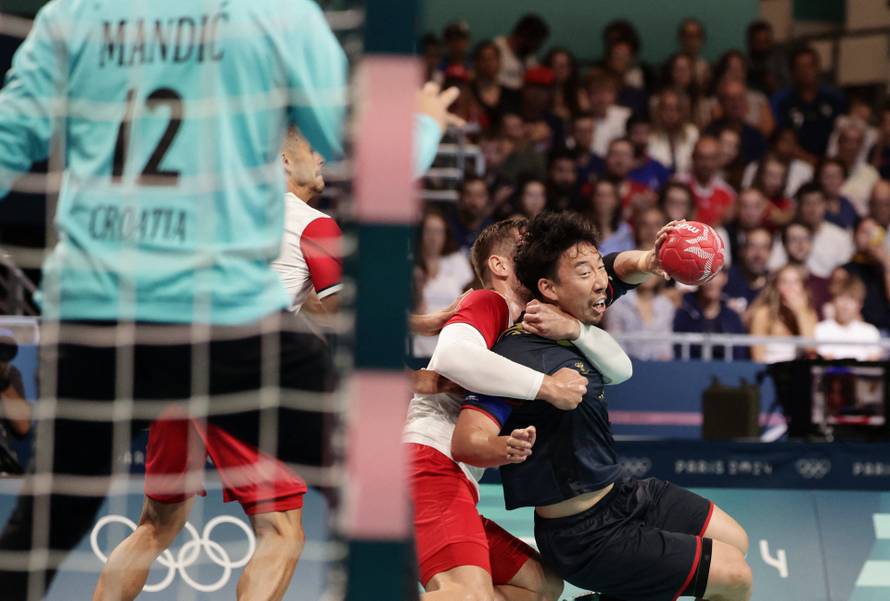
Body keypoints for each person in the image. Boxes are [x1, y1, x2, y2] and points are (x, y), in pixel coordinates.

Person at [0, 1, 461, 597]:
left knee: (60, 531)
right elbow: (370, 158)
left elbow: (9, 139)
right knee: (356, 505)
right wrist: (423, 125)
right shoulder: (273, 15)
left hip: (99, 312)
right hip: (227, 322)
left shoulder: (74, 13)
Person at [453, 212, 752, 601]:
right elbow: (469, 435)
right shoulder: (514, 352)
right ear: (546, 286)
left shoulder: (572, 315)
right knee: (735, 577)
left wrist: (649, 260)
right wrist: (507, 446)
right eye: (585, 272)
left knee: (736, 542)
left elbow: (617, 290)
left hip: (622, 495)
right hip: (582, 534)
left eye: (597, 268)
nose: (599, 281)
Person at [406, 216, 634, 601]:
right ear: (499, 265)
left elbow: (606, 278)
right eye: (526, 247)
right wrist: (547, 387)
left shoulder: (531, 321)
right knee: (467, 595)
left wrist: (647, 261)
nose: (538, 253)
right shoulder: (490, 300)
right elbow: (454, 356)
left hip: (450, 476)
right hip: (429, 465)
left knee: (541, 586)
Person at [413, 210, 475, 357]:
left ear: (446, 235)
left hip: (449, 343)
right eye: (429, 231)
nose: (433, 237)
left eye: (438, 232)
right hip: (417, 343)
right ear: (420, 234)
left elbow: (470, 297)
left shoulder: (456, 261)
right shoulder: (410, 264)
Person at [771, 46, 845, 160]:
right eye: (801, 67)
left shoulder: (834, 98)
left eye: (811, 66)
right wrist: (810, 161)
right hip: (795, 161)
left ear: (818, 68)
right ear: (792, 72)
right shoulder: (781, 100)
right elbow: (780, 137)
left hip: (832, 160)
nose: (806, 71)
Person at [749, 265, 818, 363]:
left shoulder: (808, 313)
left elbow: (811, 350)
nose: (790, 287)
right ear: (776, 287)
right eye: (784, 282)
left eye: (795, 282)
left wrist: (800, 312)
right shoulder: (763, 314)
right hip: (771, 369)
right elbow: (757, 357)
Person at [673, 270, 749, 360]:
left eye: (715, 275)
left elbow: (739, 357)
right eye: (706, 275)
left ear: (724, 278)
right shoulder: (683, 314)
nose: (710, 282)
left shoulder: (732, 319)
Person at [605, 275, 676, 360]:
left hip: (658, 365)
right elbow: (615, 340)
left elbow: (665, 345)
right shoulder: (618, 302)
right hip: (624, 363)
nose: (649, 274)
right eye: (646, 269)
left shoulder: (666, 305)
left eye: (653, 270)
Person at [841, 217, 890, 333]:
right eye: (864, 232)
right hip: (859, 332)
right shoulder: (844, 271)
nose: (870, 237)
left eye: (873, 232)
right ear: (854, 236)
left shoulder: (885, 268)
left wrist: (886, 264)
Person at [815, 277, 883, 361]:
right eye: (841, 298)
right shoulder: (820, 329)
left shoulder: (870, 332)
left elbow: (873, 362)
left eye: (851, 299)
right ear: (833, 301)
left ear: (860, 304)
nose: (845, 305)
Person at [705, 79, 767, 165]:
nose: (736, 104)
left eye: (740, 98)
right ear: (721, 103)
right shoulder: (709, 134)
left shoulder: (756, 137)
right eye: (731, 99)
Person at [677, 136, 736, 226]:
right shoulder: (679, 184)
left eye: (712, 158)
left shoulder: (727, 193)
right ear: (693, 157)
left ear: (718, 160)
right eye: (702, 158)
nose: (707, 164)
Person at [776, 221, 831, 317]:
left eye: (805, 238)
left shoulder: (822, 284)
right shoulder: (774, 280)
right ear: (784, 244)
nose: (801, 244)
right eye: (794, 239)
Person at [648, 88, 699, 173]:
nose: (671, 114)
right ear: (659, 111)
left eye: (676, 109)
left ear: (683, 111)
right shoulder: (650, 136)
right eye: (666, 109)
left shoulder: (692, 133)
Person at [835, 120, 880, 215]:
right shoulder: (825, 170)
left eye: (856, 142)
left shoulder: (871, 174)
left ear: (862, 146)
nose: (851, 147)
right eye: (847, 141)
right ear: (838, 142)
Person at [494, 14, 550, 90]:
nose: (534, 47)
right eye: (533, 42)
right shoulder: (496, 49)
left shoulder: (530, 58)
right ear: (521, 36)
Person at [725, 227, 772, 315]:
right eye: (752, 247)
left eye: (764, 248)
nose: (758, 254)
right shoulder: (726, 279)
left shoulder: (775, 283)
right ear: (743, 250)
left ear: (770, 252)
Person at [586, 71, 631, 157]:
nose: (601, 98)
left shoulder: (626, 115)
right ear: (588, 95)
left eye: (607, 92)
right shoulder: (582, 120)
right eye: (596, 93)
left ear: (615, 95)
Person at [449, 176, 495, 252]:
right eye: (468, 195)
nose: (474, 202)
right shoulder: (447, 227)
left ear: (487, 199)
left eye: (480, 195)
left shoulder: (493, 232)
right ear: (460, 197)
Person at [746, 20, 789, 96]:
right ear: (751, 42)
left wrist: (775, 84)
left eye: (766, 41)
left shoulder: (781, 57)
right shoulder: (746, 63)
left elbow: (790, 84)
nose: (763, 46)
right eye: (759, 42)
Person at [819, 158, 859, 229]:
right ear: (819, 179)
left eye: (836, 176)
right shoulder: (813, 205)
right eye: (827, 176)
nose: (831, 181)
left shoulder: (848, 206)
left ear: (843, 180)